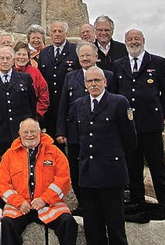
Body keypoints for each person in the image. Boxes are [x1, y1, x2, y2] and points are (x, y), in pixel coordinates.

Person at [70, 67, 136, 244]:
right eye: (90, 81)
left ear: (105, 82)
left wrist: (118, 162)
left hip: (111, 174)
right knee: (92, 227)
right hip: (88, 174)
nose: (93, 84)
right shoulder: (79, 104)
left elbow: (130, 139)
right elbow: (77, 138)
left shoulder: (118, 102)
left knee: (115, 227)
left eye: (97, 81)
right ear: (85, 84)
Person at [113, 29, 165, 220]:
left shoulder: (157, 62)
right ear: (125, 42)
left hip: (150, 126)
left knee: (157, 167)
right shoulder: (119, 65)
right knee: (133, 166)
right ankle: (137, 202)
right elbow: (115, 93)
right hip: (130, 126)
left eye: (137, 39)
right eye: (130, 39)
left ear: (143, 41)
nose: (133, 42)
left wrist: (159, 115)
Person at [0, 118, 77, 245]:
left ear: (40, 132)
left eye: (33, 131)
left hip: (49, 205)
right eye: (26, 132)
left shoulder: (55, 152)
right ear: (19, 133)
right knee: (7, 224)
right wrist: (19, 202)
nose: (29, 135)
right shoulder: (9, 155)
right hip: (20, 206)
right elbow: (3, 184)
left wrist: (45, 199)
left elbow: (63, 180)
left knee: (68, 222)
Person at [56, 41, 115, 210]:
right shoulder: (70, 77)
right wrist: (61, 130)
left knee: (98, 167)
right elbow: (63, 105)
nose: (85, 58)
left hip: (101, 134)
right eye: (82, 56)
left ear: (96, 57)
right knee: (77, 169)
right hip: (76, 132)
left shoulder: (108, 76)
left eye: (88, 55)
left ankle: (100, 203)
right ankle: (84, 204)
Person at [0, 46, 36, 155]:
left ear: (13, 60)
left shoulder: (24, 78)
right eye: (1, 58)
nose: (5, 61)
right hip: (0, 133)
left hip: (21, 132)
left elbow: (32, 104)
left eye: (8, 58)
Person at [38, 21, 78, 140]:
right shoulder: (44, 52)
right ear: (50, 34)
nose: (57, 34)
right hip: (51, 105)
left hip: (69, 103)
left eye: (60, 31)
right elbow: (41, 79)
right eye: (54, 31)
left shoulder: (75, 50)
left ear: (66, 33)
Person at [13, 42, 49, 123]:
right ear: (14, 56)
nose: (21, 57)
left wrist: (37, 114)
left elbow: (43, 94)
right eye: (19, 54)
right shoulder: (9, 72)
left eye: (24, 54)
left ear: (28, 58)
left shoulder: (35, 72)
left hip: (32, 116)